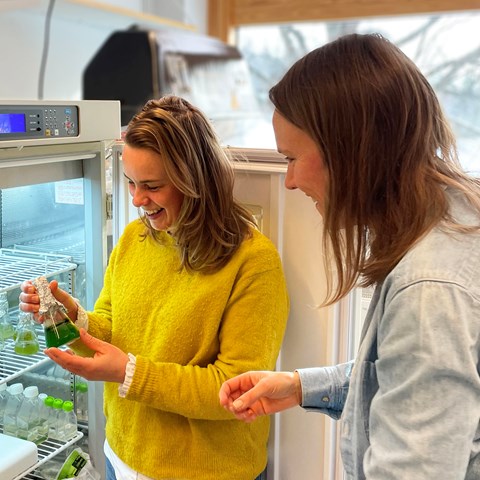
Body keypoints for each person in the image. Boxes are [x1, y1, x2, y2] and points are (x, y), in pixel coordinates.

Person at [219, 32, 480, 479]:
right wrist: (301, 386)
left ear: (354, 152)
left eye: (292, 159)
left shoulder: (428, 290)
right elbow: (403, 377)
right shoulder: (456, 213)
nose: (290, 182)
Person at [20, 95, 289, 480]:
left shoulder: (252, 262)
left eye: (152, 185)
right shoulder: (134, 240)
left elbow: (237, 390)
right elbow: (113, 331)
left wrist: (128, 373)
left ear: (196, 179)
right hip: (121, 456)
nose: (137, 199)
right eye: (130, 182)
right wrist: (70, 317)